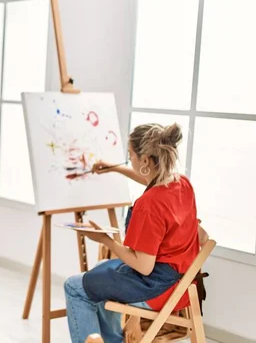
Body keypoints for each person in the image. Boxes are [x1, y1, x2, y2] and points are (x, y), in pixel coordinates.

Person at [63, 123, 208, 343]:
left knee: (75, 287)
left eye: (130, 155)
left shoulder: (149, 205)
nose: (129, 159)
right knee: (99, 273)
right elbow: (149, 179)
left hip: (158, 288)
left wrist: (105, 240)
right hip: (184, 285)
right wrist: (115, 168)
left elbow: (143, 266)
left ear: (146, 161)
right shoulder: (182, 184)